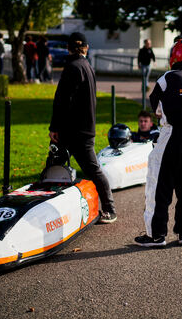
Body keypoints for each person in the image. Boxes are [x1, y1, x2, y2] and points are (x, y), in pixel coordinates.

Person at [135, 39, 182, 247]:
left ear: (176, 55)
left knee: (159, 185)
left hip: (170, 135)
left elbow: (156, 107)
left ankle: (156, 235)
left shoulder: (167, 78)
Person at [49, 32, 117, 223]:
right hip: (86, 128)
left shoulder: (71, 67)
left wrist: (55, 127)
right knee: (92, 170)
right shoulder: (87, 66)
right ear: (86, 48)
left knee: (56, 167)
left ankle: (52, 214)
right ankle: (107, 208)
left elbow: (62, 101)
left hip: (70, 130)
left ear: (68, 48)